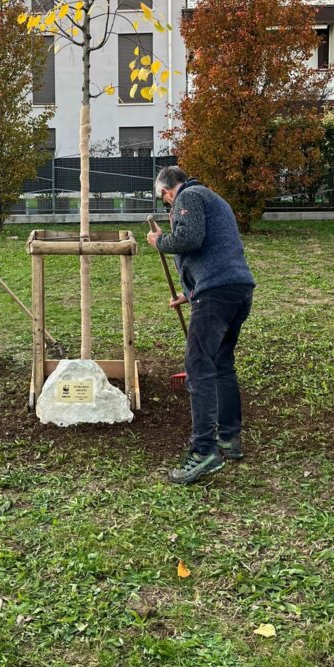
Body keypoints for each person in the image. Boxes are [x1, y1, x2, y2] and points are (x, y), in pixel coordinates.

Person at [146, 165, 255, 486]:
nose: (168, 206)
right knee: (221, 365)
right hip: (236, 291)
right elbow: (216, 251)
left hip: (216, 296)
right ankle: (229, 439)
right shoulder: (213, 198)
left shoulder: (190, 196)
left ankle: (204, 451)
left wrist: (160, 241)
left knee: (199, 368)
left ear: (167, 191)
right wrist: (188, 292)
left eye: (165, 201)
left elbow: (189, 238)